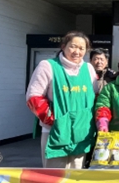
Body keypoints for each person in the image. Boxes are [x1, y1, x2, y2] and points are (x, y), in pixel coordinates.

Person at [26, 31, 99, 169]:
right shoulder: (47, 66)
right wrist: (55, 120)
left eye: (81, 48)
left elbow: (95, 96)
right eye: (73, 46)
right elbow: (33, 97)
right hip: (55, 131)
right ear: (63, 46)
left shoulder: (89, 68)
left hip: (81, 132)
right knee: (55, 177)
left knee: (76, 175)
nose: (77, 52)